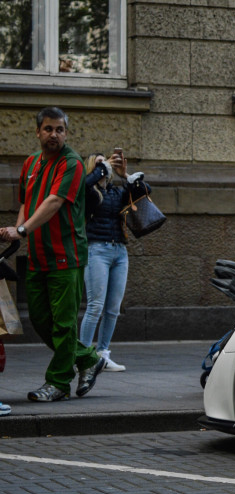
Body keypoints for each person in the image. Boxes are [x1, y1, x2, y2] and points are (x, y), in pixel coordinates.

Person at [1, 107, 104, 402]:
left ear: (66, 133)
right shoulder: (31, 163)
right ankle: (87, 358)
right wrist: (18, 230)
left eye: (59, 130)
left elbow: (54, 202)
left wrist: (21, 231)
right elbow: (27, 202)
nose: (54, 135)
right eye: (48, 129)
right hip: (36, 256)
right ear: (38, 132)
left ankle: (58, 382)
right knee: (40, 319)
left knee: (63, 323)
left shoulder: (70, 163)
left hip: (65, 256)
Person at [79, 148, 147, 372]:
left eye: (106, 164)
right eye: (99, 165)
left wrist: (125, 175)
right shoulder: (89, 192)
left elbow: (144, 194)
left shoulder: (116, 192)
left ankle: (103, 354)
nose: (105, 169)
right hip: (96, 250)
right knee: (95, 306)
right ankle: (83, 355)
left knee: (113, 308)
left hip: (120, 253)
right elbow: (82, 186)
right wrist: (102, 168)